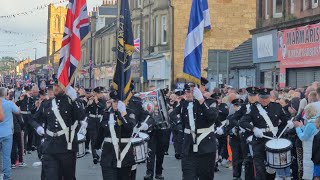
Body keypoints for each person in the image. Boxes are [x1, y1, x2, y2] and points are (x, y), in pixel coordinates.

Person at [30, 76, 86, 180]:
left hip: (67, 148)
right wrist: (38, 128)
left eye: (58, 85)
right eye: (54, 85)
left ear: (65, 87)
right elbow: (33, 119)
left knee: (68, 177)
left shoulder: (72, 103)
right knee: (51, 176)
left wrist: (75, 99)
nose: (55, 88)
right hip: (49, 147)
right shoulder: (47, 104)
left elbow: (81, 117)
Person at [240, 87, 289, 180]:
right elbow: (242, 122)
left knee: (272, 169)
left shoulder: (277, 106)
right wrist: (253, 129)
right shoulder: (253, 108)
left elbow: (285, 120)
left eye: (266, 98)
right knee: (260, 168)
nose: (264, 100)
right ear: (259, 97)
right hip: (259, 142)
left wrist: (285, 127)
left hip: (273, 141)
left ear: (270, 97)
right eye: (262, 98)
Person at [179, 84, 219, 180]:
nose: (189, 94)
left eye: (192, 91)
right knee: (188, 177)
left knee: (205, 177)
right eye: (187, 91)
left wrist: (201, 100)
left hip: (206, 147)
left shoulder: (211, 102)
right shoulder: (184, 104)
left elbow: (212, 117)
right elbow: (182, 122)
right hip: (189, 148)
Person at [95, 100, 136, 180]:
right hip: (108, 156)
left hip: (125, 156)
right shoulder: (106, 114)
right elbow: (101, 133)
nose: (116, 104)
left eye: (118, 102)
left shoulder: (130, 113)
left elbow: (129, 130)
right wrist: (97, 148)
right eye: (114, 101)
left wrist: (122, 116)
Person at [0, 87, 20, 180]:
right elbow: (18, 111)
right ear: (6, 95)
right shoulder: (9, 103)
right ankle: (6, 176)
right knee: (6, 156)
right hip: (7, 133)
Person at [294, 103, 318, 180]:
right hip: (314, 148)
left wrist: (297, 128)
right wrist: (302, 126)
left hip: (309, 149)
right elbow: (310, 133)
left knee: (309, 170)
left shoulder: (310, 124)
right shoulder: (315, 121)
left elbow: (303, 137)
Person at [86, 86, 106, 164]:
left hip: (100, 121)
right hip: (92, 121)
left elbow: (103, 108)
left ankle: (98, 153)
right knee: (93, 139)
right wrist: (88, 104)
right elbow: (85, 111)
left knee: (100, 138)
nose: (101, 94)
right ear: (95, 93)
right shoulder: (90, 100)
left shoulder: (103, 100)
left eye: (101, 93)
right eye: (99, 93)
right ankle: (95, 156)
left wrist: (97, 102)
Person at [16, 85, 36, 154]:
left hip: (30, 115)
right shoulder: (22, 97)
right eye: (27, 91)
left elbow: (34, 108)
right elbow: (17, 105)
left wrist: (30, 97)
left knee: (31, 132)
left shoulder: (32, 98)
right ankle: (23, 148)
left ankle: (29, 148)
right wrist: (20, 99)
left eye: (30, 91)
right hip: (23, 115)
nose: (28, 92)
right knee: (24, 132)